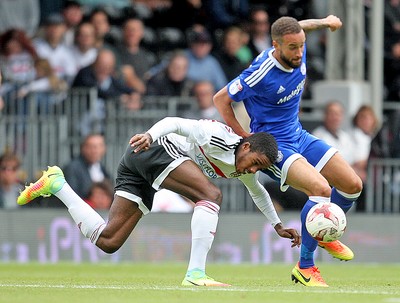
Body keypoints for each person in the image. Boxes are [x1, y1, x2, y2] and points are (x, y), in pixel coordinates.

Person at [17, 117, 300, 286]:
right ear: (247, 146)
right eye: (255, 163)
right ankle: (196, 273)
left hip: (139, 164)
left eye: (258, 169)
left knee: (108, 241)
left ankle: (57, 184)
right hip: (152, 149)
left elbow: (258, 192)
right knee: (211, 195)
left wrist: (277, 225)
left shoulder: (242, 166)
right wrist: (150, 134)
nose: (252, 170)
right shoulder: (219, 136)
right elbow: (175, 122)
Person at [213, 15, 363, 287]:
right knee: (320, 190)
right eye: (292, 47)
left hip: (298, 134)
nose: (299, 52)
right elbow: (220, 98)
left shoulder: (294, 39)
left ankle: (323, 233)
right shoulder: (260, 72)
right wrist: (242, 134)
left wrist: (325, 21)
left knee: (352, 185)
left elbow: (299, 27)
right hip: (275, 146)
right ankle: (305, 267)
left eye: (301, 46)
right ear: (276, 45)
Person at [63, 133, 111, 200]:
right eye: (91, 147)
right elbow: (72, 195)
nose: (95, 151)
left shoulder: (102, 168)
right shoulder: (73, 168)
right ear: (83, 148)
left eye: (99, 146)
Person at [312, 101, 356, 165]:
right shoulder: (317, 136)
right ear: (325, 116)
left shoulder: (345, 136)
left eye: (338, 114)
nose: (335, 118)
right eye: (332, 114)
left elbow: (352, 159)